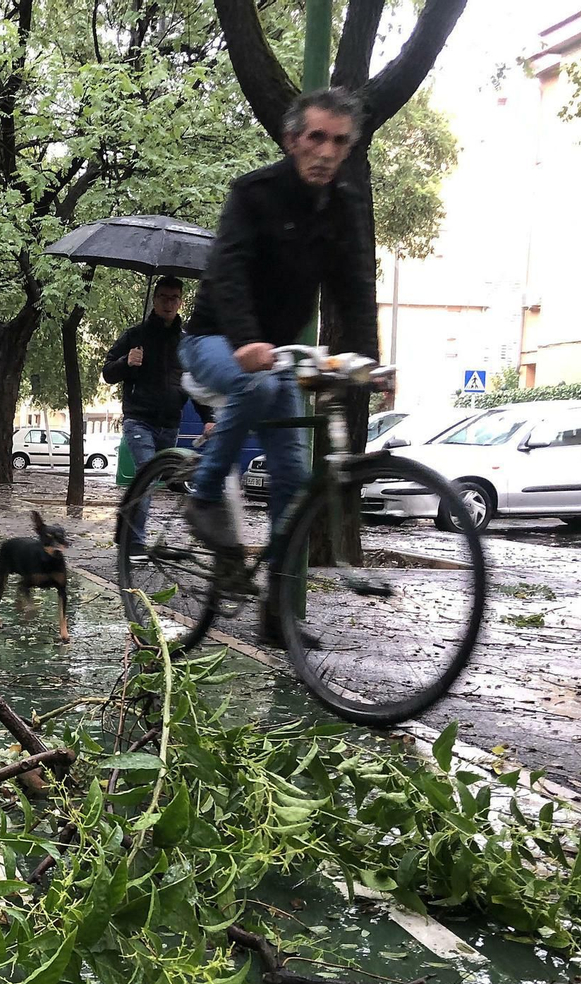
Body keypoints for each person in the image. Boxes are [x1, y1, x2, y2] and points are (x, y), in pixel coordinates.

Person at [180, 85, 379, 642]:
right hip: (214, 340)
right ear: (293, 139)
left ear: (348, 147)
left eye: (338, 141)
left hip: (275, 361)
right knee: (262, 385)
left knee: (295, 478)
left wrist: (370, 361)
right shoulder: (254, 193)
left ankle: (276, 612)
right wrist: (245, 339)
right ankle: (203, 499)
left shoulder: (343, 207)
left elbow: (355, 287)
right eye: (315, 137)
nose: (325, 151)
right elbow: (229, 270)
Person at [100, 275, 214, 560]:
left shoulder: (186, 342)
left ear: (181, 302)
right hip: (139, 419)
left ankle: (124, 530)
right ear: (154, 299)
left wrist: (208, 418)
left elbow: (195, 384)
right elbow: (107, 373)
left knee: (162, 479)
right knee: (146, 475)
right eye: (163, 297)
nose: (168, 303)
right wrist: (127, 362)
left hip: (169, 422)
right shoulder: (135, 335)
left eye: (174, 298)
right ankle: (135, 545)